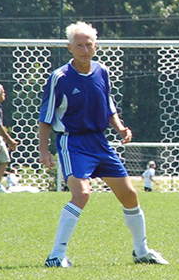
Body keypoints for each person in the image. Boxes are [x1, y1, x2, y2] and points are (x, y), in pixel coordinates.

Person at [38, 21, 168, 267]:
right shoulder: (60, 77)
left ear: (96, 46)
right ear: (69, 48)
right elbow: (45, 117)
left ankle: (141, 251)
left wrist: (120, 128)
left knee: (129, 194)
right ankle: (56, 256)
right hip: (72, 142)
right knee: (82, 194)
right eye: (79, 45)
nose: (85, 50)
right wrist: (44, 150)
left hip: (100, 142)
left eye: (89, 44)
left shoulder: (102, 71)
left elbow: (108, 107)